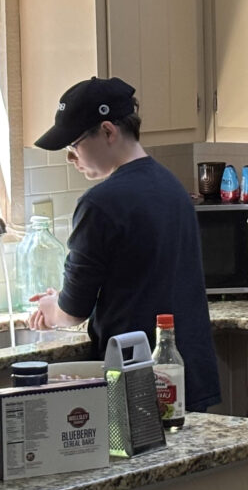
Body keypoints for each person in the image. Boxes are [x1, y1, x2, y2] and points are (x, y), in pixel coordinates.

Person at [27, 76, 220, 412]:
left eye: (73, 146)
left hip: (137, 377)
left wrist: (51, 310)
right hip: (185, 370)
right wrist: (61, 300)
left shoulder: (99, 203)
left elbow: (73, 312)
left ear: (108, 132)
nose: (71, 159)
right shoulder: (172, 187)